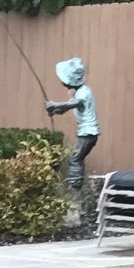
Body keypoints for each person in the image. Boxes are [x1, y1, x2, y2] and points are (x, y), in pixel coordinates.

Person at [44, 58, 98, 196]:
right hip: (85, 133)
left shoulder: (84, 92)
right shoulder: (78, 92)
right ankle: (78, 187)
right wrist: (55, 111)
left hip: (88, 134)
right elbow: (65, 108)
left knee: (74, 159)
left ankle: (76, 192)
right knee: (76, 159)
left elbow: (71, 104)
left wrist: (54, 104)